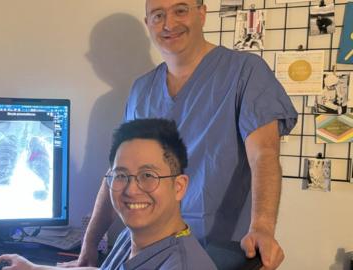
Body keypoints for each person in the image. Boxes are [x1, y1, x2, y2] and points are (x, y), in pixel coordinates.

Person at [67, 0, 298, 269]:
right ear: (148, 24)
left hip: (217, 247)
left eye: (180, 10)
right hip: (146, 246)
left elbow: (264, 154)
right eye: (157, 15)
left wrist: (262, 228)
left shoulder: (245, 72)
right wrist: (89, 246)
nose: (168, 24)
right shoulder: (142, 90)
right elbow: (117, 172)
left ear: (201, 13)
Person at [0, 118, 217, 269]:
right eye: (121, 175)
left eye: (148, 175)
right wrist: (35, 268)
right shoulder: (134, 237)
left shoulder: (180, 265)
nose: (131, 189)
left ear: (179, 186)